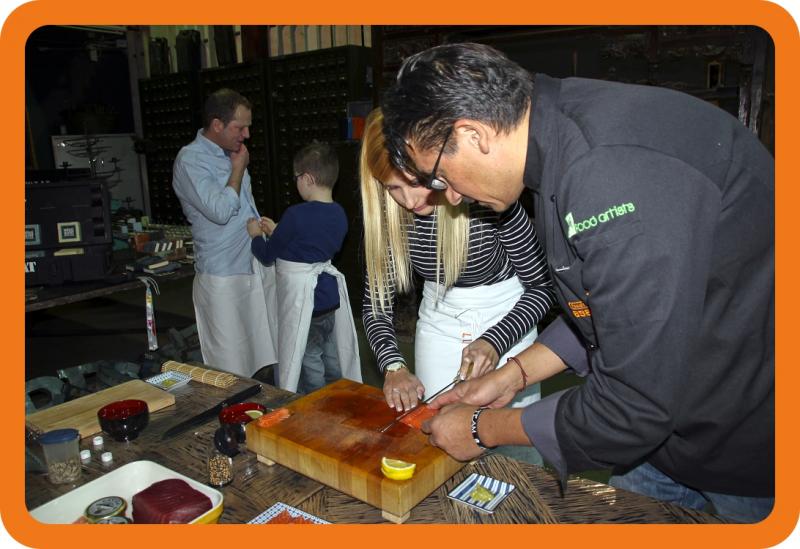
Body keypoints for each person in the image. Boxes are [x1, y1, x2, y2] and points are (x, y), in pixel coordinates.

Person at [380, 43, 774, 523]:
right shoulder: (560, 134)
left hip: (744, 440)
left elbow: (633, 405)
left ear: (472, 134)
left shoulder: (606, 174)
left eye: (441, 178)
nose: (453, 198)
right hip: (664, 442)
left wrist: (483, 429)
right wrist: (514, 375)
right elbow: (611, 310)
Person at [361, 109, 555, 463]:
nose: (410, 202)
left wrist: (494, 341)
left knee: (514, 449)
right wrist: (394, 366)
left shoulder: (483, 196)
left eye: (416, 183)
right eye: (393, 188)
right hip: (439, 320)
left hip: (509, 316)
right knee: (440, 441)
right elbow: (376, 307)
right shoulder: (391, 218)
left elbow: (542, 288)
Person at [172, 88, 277, 378]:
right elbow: (219, 211)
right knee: (230, 367)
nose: (246, 135)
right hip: (222, 274)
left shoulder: (232, 152)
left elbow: (243, 206)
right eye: (239, 128)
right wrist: (238, 170)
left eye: (248, 127)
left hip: (253, 265)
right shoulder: (190, 160)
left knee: (265, 355)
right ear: (217, 124)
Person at [248, 142, 361, 393]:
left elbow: (267, 255)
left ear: (308, 178)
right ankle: (336, 394)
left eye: (296, 177)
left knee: (309, 360)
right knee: (330, 355)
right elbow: (311, 246)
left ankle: (314, 399)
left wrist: (256, 236)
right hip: (329, 299)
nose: (296, 183)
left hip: (305, 303)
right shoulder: (340, 213)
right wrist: (278, 231)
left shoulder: (295, 215)